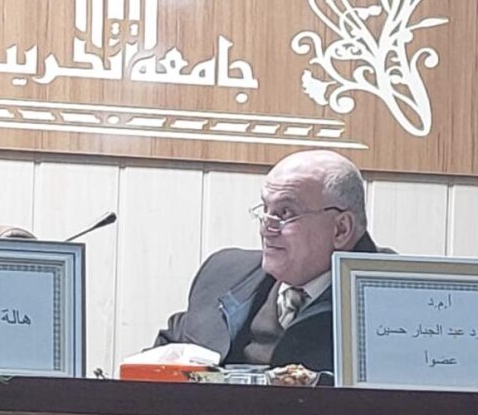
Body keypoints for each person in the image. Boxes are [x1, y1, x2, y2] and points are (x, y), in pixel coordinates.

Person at [154, 150, 378, 374]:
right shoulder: (223, 273)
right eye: (265, 209)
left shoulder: (387, 299)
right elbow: (162, 359)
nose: (266, 228)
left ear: (341, 229)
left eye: (285, 212)